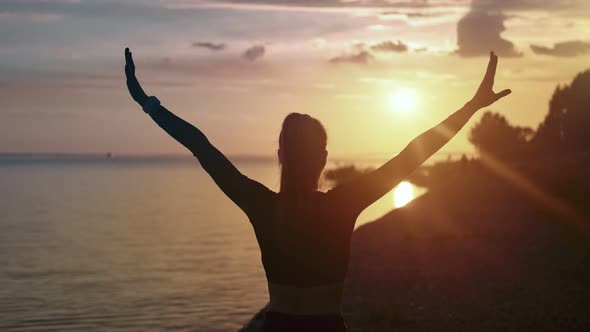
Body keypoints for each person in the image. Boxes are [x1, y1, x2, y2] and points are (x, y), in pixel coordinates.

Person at [124, 48, 511, 332]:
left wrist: (148, 103)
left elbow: (201, 146)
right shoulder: (343, 205)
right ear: (324, 159)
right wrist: (471, 107)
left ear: (280, 155)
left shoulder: (261, 205)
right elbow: (413, 154)